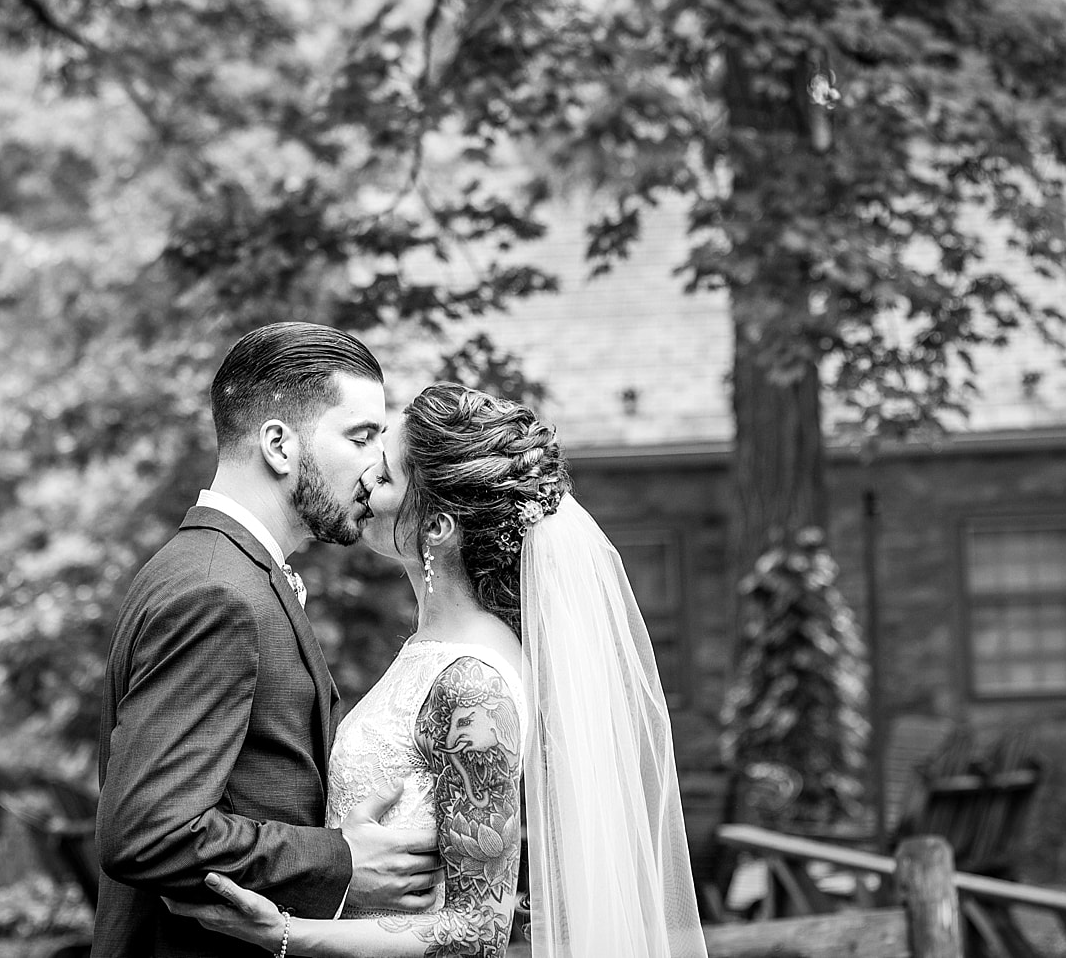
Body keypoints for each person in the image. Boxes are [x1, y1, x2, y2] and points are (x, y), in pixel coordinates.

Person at [166, 382, 709, 957]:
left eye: (386, 477)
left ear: (438, 527)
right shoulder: (433, 649)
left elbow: (479, 929)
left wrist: (285, 933)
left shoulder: (472, 682)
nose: (363, 483)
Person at [94, 323, 446, 958]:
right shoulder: (216, 593)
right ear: (279, 445)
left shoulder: (222, 571)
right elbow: (149, 831)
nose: (376, 467)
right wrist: (340, 859)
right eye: (360, 437)